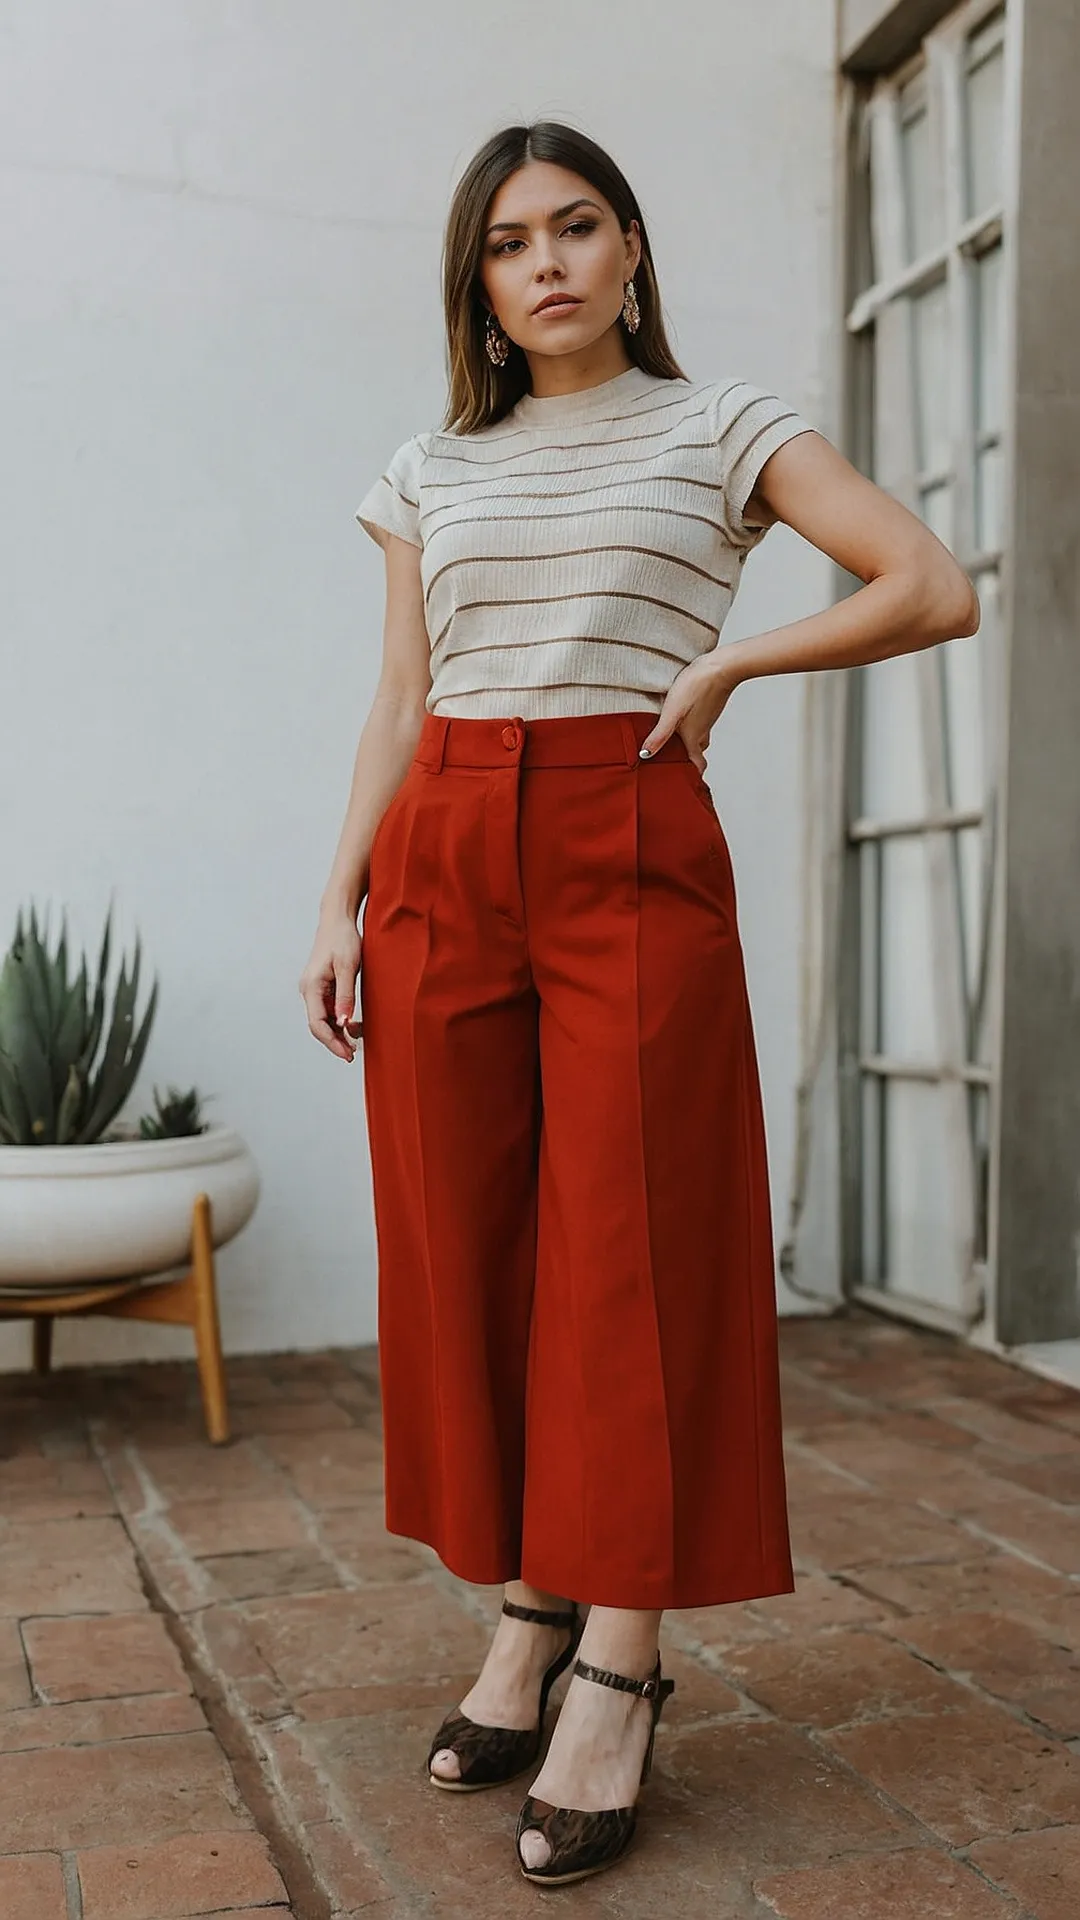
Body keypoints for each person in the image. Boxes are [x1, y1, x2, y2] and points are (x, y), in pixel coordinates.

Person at [299, 119, 979, 1889]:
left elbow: (931, 582)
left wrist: (739, 655)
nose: (549, 264)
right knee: (479, 1244)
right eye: (511, 241)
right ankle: (528, 1604)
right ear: (482, 281)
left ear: (628, 246)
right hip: (442, 842)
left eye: (578, 226)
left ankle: (622, 1654)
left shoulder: (721, 424)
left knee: (634, 1252)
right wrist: (336, 896)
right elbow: (400, 692)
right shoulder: (432, 465)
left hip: (625, 824)